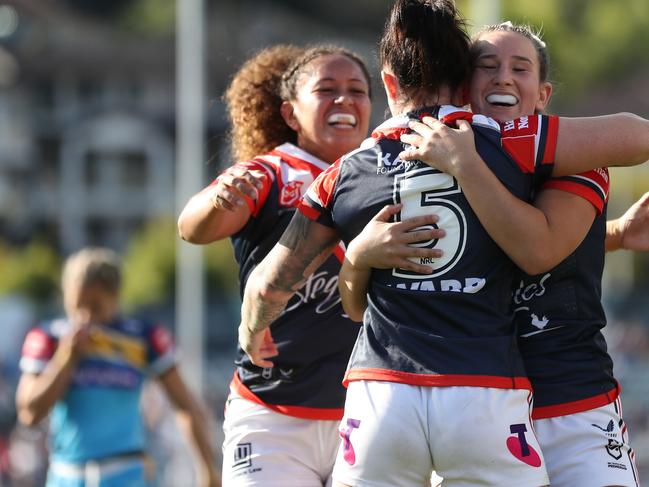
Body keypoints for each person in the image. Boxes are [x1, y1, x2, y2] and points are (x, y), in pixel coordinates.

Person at [238, 1, 649, 486]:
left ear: (544, 93)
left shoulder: (357, 170)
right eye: (487, 67)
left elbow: (541, 247)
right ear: (463, 84)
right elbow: (356, 305)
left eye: (520, 68)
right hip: (485, 397)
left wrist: (252, 331)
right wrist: (358, 261)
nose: (502, 79)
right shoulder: (504, 140)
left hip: (567, 401)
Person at [177, 44, 372, 486]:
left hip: (367, 412)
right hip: (271, 414)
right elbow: (193, 228)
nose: (344, 100)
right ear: (289, 113)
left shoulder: (387, 169)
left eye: (357, 90)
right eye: (327, 89)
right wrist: (219, 196)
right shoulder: (272, 173)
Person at [15, 247, 220, 487]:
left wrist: (207, 468)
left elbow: (185, 406)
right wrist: (66, 358)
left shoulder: (142, 338)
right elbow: (29, 413)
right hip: (67, 475)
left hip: (126, 474)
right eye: (77, 306)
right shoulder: (48, 338)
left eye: (95, 306)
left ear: (114, 298)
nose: (85, 317)